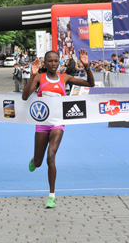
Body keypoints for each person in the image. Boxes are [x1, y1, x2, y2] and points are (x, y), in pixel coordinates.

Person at [22, 49, 95, 208]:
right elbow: (25, 96)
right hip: (42, 124)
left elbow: (90, 84)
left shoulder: (65, 78)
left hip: (57, 123)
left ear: (60, 62)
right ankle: (34, 160)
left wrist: (87, 66)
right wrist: (32, 75)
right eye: (50, 61)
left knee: (51, 155)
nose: (53, 64)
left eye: (56, 61)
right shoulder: (40, 78)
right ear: (45, 63)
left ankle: (52, 196)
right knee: (40, 161)